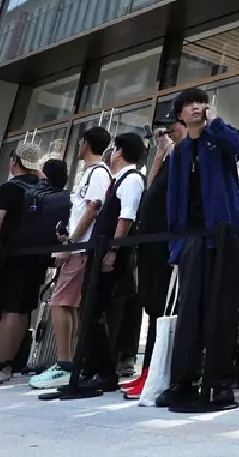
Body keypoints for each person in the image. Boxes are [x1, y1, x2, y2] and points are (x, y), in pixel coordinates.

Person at [160, 87, 239, 409]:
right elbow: (173, 201)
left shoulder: (219, 138)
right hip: (192, 239)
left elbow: (238, 145)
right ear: (181, 114)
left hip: (226, 236)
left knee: (223, 311)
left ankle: (220, 383)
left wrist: (215, 123)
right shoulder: (180, 152)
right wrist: (176, 245)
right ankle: (181, 382)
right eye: (190, 104)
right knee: (189, 311)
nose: (197, 107)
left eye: (202, 103)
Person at [0, 142, 65, 380]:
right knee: (22, 309)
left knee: (8, 309)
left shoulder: (10, 189)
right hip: (38, 256)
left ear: (15, 161)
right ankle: (11, 361)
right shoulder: (46, 189)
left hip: (12, 253)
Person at [29, 126, 112, 390]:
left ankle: (65, 363)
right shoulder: (90, 173)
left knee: (59, 302)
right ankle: (70, 360)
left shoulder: (99, 173)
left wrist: (72, 243)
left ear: (86, 144)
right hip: (77, 245)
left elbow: (93, 208)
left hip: (81, 249)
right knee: (68, 304)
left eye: (81, 143)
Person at [66, 131, 145, 394]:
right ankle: (90, 366)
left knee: (97, 310)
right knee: (90, 308)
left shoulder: (132, 180)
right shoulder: (117, 179)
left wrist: (112, 251)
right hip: (100, 249)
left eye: (114, 149)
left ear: (120, 152)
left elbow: (126, 218)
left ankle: (105, 371)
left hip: (112, 254)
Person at [124, 120, 182, 399]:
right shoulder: (168, 158)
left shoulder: (186, 155)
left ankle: (156, 370)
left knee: (161, 308)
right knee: (152, 306)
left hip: (165, 243)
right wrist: (160, 151)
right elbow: (152, 185)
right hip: (149, 242)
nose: (167, 134)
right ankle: (148, 369)